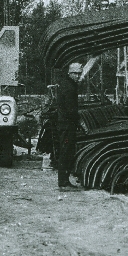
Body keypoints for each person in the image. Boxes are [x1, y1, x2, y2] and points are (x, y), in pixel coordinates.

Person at [55, 62, 83, 191]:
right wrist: (79, 120)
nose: (78, 76)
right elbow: (70, 110)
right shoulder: (69, 87)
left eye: (79, 73)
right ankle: (63, 181)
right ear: (70, 73)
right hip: (67, 124)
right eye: (75, 74)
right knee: (66, 151)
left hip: (65, 123)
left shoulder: (67, 84)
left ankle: (64, 180)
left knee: (66, 151)